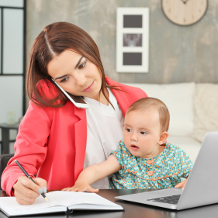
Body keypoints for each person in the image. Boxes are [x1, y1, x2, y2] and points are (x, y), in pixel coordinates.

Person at [1, 22, 147, 205]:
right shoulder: (49, 103)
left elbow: (158, 154)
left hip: (133, 205)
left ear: (91, 50)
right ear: (54, 82)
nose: (81, 81)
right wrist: (17, 184)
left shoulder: (135, 97)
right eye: (64, 79)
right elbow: (19, 166)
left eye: (82, 65)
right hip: (75, 208)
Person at [62, 97, 193, 192]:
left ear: (161, 137)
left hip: (162, 208)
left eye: (142, 132)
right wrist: (82, 182)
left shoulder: (175, 155)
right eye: (128, 129)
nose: (133, 137)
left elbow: (196, 175)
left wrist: (191, 182)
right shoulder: (125, 153)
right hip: (126, 206)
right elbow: (97, 170)